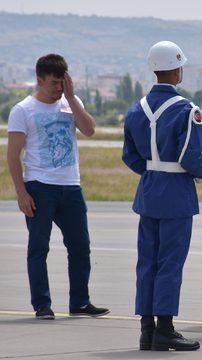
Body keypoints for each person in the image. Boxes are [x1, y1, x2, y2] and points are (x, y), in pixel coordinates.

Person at [122, 41, 202, 351]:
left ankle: (147, 329)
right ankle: (166, 328)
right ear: (176, 68)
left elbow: (130, 156)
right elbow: (190, 156)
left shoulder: (136, 108)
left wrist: (152, 170)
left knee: (147, 261)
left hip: (148, 189)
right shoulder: (187, 109)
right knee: (170, 262)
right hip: (175, 192)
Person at [6, 53, 109, 321]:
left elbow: (89, 130)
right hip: (39, 186)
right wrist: (21, 193)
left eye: (62, 83)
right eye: (53, 83)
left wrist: (72, 98)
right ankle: (42, 304)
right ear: (39, 80)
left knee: (80, 246)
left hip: (71, 186)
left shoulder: (70, 104)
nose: (58, 89)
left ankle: (80, 302)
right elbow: (13, 155)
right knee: (39, 248)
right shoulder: (23, 110)